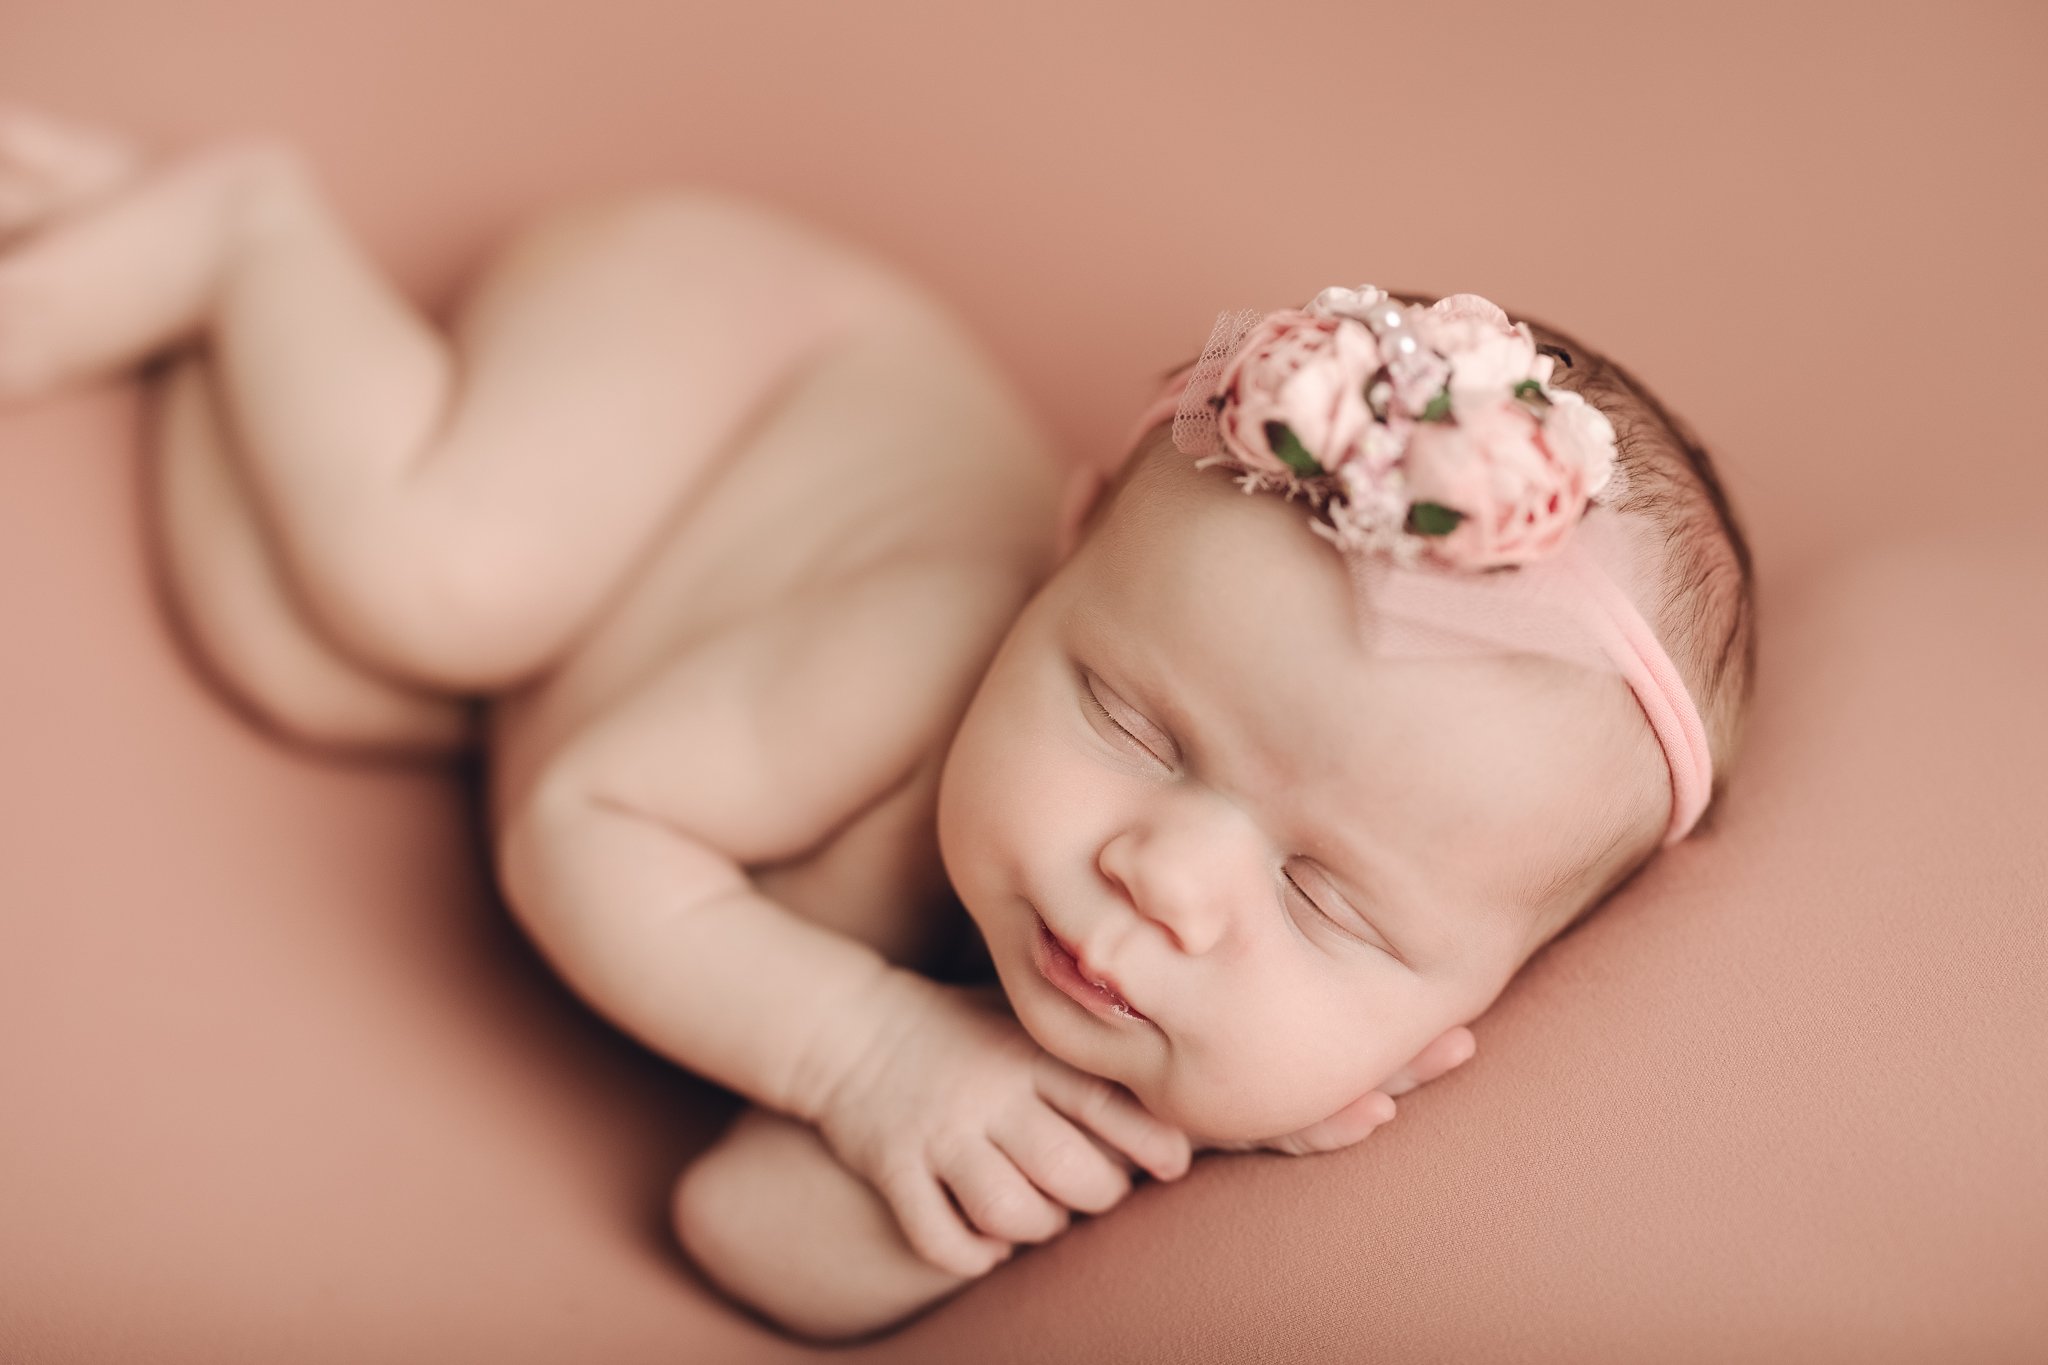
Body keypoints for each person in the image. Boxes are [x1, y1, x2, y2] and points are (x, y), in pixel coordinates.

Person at [0, 106, 1755, 1341]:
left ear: (1434, 1039)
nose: (1162, 877)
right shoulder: (926, 652)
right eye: (1133, 719)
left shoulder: (1141, 1046)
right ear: (1062, 560)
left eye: (1333, 904)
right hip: (737, 363)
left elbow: (742, 1229)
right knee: (437, 577)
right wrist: (863, 1051)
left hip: (599, 670)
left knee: (296, 652)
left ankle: (230, 334)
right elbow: (581, 824)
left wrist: (1116, 1132)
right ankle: (251, 228)